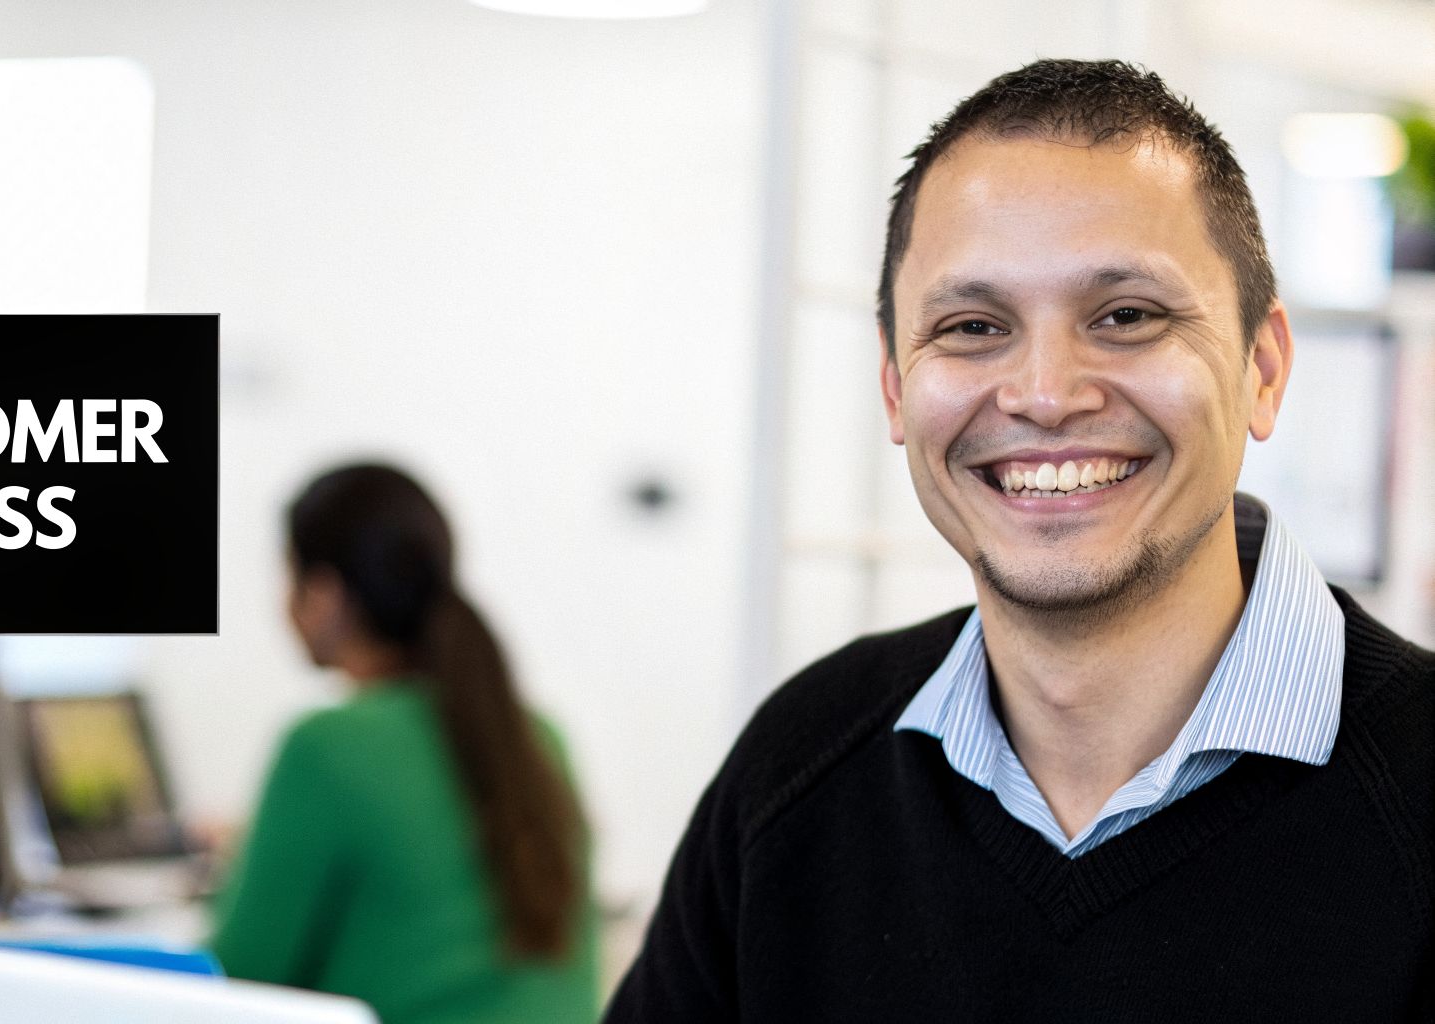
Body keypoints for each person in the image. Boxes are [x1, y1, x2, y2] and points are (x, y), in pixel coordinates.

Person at [606, 59, 1433, 1021]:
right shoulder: (800, 772)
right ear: (894, 390)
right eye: (972, 326)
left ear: (1262, 367)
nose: (1045, 394)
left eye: (1127, 316)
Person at [210, 462, 600, 1023]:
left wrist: (239, 866)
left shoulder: (325, 747)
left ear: (323, 596)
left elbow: (236, 979)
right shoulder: (540, 737)